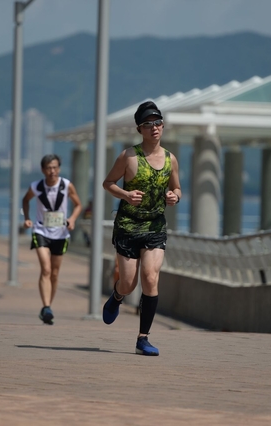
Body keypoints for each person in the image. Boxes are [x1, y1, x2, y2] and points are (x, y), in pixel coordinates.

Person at [102, 101, 181, 356]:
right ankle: (117, 296)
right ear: (139, 129)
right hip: (128, 226)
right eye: (148, 124)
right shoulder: (128, 156)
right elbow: (108, 183)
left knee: (150, 277)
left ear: (163, 126)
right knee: (128, 284)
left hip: (155, 226)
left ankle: (143, 338)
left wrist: (175, 196)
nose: (154, 128)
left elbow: (177, 188)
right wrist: (125, 195)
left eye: (158, 123)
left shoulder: (170, 159)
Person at [22, 154, 82, 325]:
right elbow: (25, 200)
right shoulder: (36, 186)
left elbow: (78, 204)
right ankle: (46, 306)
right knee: (46, 269)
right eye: (48, 168)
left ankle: (48, 307)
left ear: (59, 169)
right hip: (41, 230)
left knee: (54, 274)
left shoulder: (66, 185)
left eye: (55, 167)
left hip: (61, 233)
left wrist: (72, 219)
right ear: (43, 170)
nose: (52, 171)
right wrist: (27, 218)